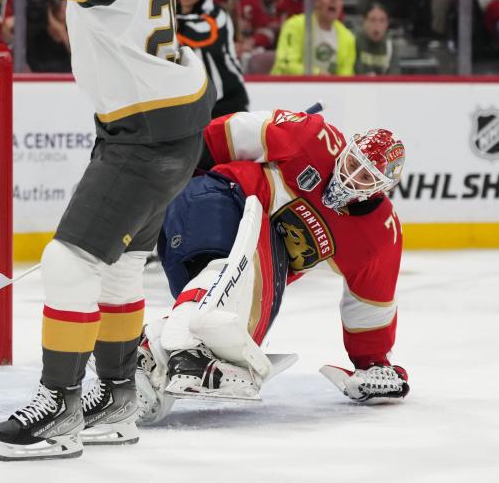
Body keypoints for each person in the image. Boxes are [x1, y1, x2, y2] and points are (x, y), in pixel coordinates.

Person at [0, 0, 214, 461]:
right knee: (121, 269)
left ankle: (60, 407)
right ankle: (118, 399)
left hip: (144, 138)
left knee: (68, 264)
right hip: (172, 126)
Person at [137, 107, 409, 424]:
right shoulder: (311, 137)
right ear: (347, 149)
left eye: (365, 177)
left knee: (232, 307)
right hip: (218, 199)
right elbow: (226, 134)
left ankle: (147, 356)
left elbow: (370, 306)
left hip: (251, 261)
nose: (351, 176)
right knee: (224, 273)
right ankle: (188, 351)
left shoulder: (378, 235)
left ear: (381, 188)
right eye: (352, 163)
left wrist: (373, 363)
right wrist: (168, 170)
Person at [174, 0, 247, 118]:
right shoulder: (168, 15)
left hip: (228, 103)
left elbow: (200, 33)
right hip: (190, 106)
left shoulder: (217, 14)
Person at [271, 0, 355, 76]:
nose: (333, 0)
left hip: (330, 90)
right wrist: (317, 75)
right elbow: (286, 64)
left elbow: (346, 75)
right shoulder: (294, 26)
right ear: (316, 1)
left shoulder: (348, 37)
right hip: (289, 87)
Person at [354, 3, 398, 74]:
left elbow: (395, 79)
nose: (377, 25)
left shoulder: (391, 46)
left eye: (382, 20)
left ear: (387, 23)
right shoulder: (354, 41)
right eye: (372, 20)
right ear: (364, 22)